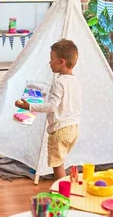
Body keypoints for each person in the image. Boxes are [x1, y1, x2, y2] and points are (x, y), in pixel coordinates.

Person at [15, 39, 82, 180]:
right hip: (73, 129)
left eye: (52, 59)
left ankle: (62, 193)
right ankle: (65, 187)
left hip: (60, 130)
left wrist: (29, 106)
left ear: (62, 62)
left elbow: (52, 107)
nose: (49, 62)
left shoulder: (59, 82)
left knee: (57, 166)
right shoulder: (75, 81)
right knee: (61, 160)